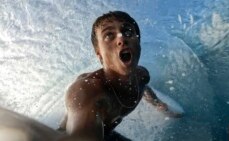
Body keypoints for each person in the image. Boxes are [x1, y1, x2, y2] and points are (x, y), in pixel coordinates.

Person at [58, 11, 182, 141]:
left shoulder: (142, 76)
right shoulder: (88, 92)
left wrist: (158, 104)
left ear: (138, 44)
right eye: (109, 35)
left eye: (128, 32)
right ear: (99, 53)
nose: (121, 38)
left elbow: (144, 87)